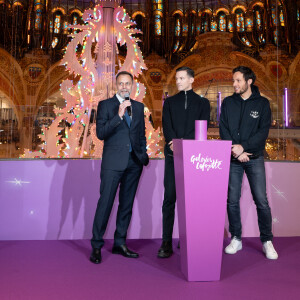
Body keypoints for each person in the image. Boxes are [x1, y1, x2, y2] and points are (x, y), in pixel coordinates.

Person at [219, 66, 278, 260]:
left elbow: (263, 133)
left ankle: (267, 241)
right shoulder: (228, 102)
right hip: (233, 159)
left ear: (249, 81)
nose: (234, 84)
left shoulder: (262, 104)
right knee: (232, 200)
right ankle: (236, 238)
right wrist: (236, 152)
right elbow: (224, 128)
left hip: (254, 158)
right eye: (233, 80)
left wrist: (243, 148)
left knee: (261, 200)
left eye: (238, 80)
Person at [90, 71, 149, 264]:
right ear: (116, 85)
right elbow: (100, 133)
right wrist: (119, 115)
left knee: (126, 205)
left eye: (127, 84)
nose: (124, 87)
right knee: (105, 203)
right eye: (121, 84)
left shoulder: (139, 107)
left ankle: (119, 243)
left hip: (134, 164)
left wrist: (142, 154)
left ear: (132, 85)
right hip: (113, 163)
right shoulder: (106, 105)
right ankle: (97, 246)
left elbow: (141, 134)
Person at [158, 66, 210, 258]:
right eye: (177, 78)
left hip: (195, 157)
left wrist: (186, 145)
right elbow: (166, 125)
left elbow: (202, 126)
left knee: (191, 200)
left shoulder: (203, 103)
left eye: (181, 78)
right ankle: (166, 241)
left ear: (191, 79)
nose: (178, 81)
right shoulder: (169, 102)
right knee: (170, 197)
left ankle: (188, 238)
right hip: (173, 155)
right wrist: (174, 142)